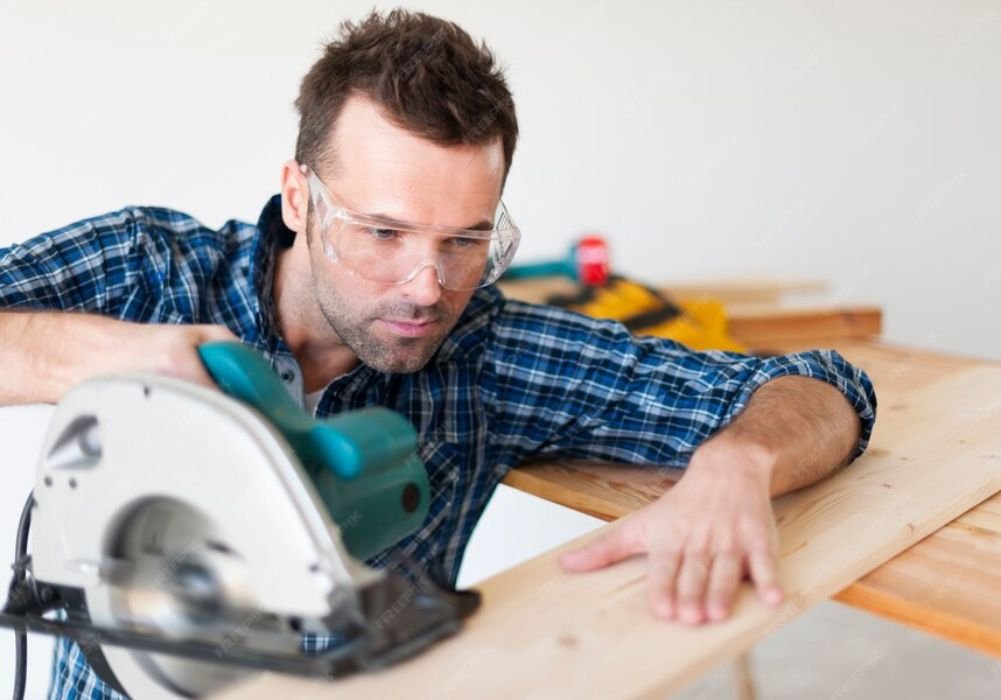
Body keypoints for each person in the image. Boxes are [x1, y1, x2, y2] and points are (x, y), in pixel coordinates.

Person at [0, 9, 875, 699]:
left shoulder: (489, 354)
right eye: (382, 231)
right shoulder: (147, 271)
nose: (426, 286)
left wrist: (739, 463)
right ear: (299, 197)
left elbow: (828, 388)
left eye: (463, 240)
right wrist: (94, 352)